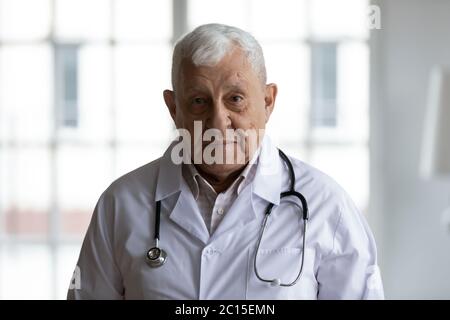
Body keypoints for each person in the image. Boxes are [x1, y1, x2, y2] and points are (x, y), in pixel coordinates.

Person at [67, 23, 384, 300]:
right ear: (173, 108)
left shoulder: (327, 205)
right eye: (198, 101)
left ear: (268, 101)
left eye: (235, 98)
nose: (218, 122)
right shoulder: (121, 204)